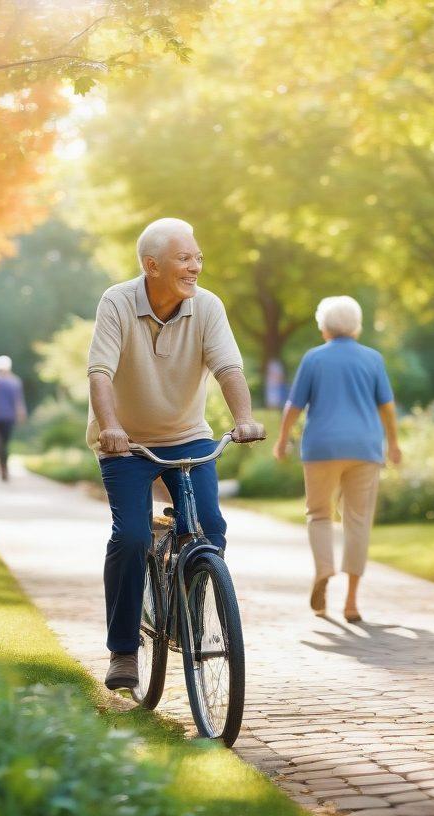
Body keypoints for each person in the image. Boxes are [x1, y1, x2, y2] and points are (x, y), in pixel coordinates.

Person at [86, 217, 265, 692]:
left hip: (188, 435)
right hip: (128, 442)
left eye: (198, 257)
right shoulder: (118, 302)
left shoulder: (207, 307)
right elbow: (100, 371)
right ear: (152, 265)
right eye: (185, 258)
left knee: (210, 526)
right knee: (130, 536)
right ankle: (124, 648)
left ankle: (188, 605)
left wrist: (244, 418)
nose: (195, 267)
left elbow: (228, 367)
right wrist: (110, 428)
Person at [273, 296, 401, 623]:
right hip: (365, 447)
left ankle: (324, 569)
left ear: (325, 326)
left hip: (321, 447)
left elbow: (294, 406)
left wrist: (282, 440)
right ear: (356, 325)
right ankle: (352, 603)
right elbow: (387, 407)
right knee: (358, 520)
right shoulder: (373, 359)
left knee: (318, 513)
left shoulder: (313, 358)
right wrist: (394, 445)